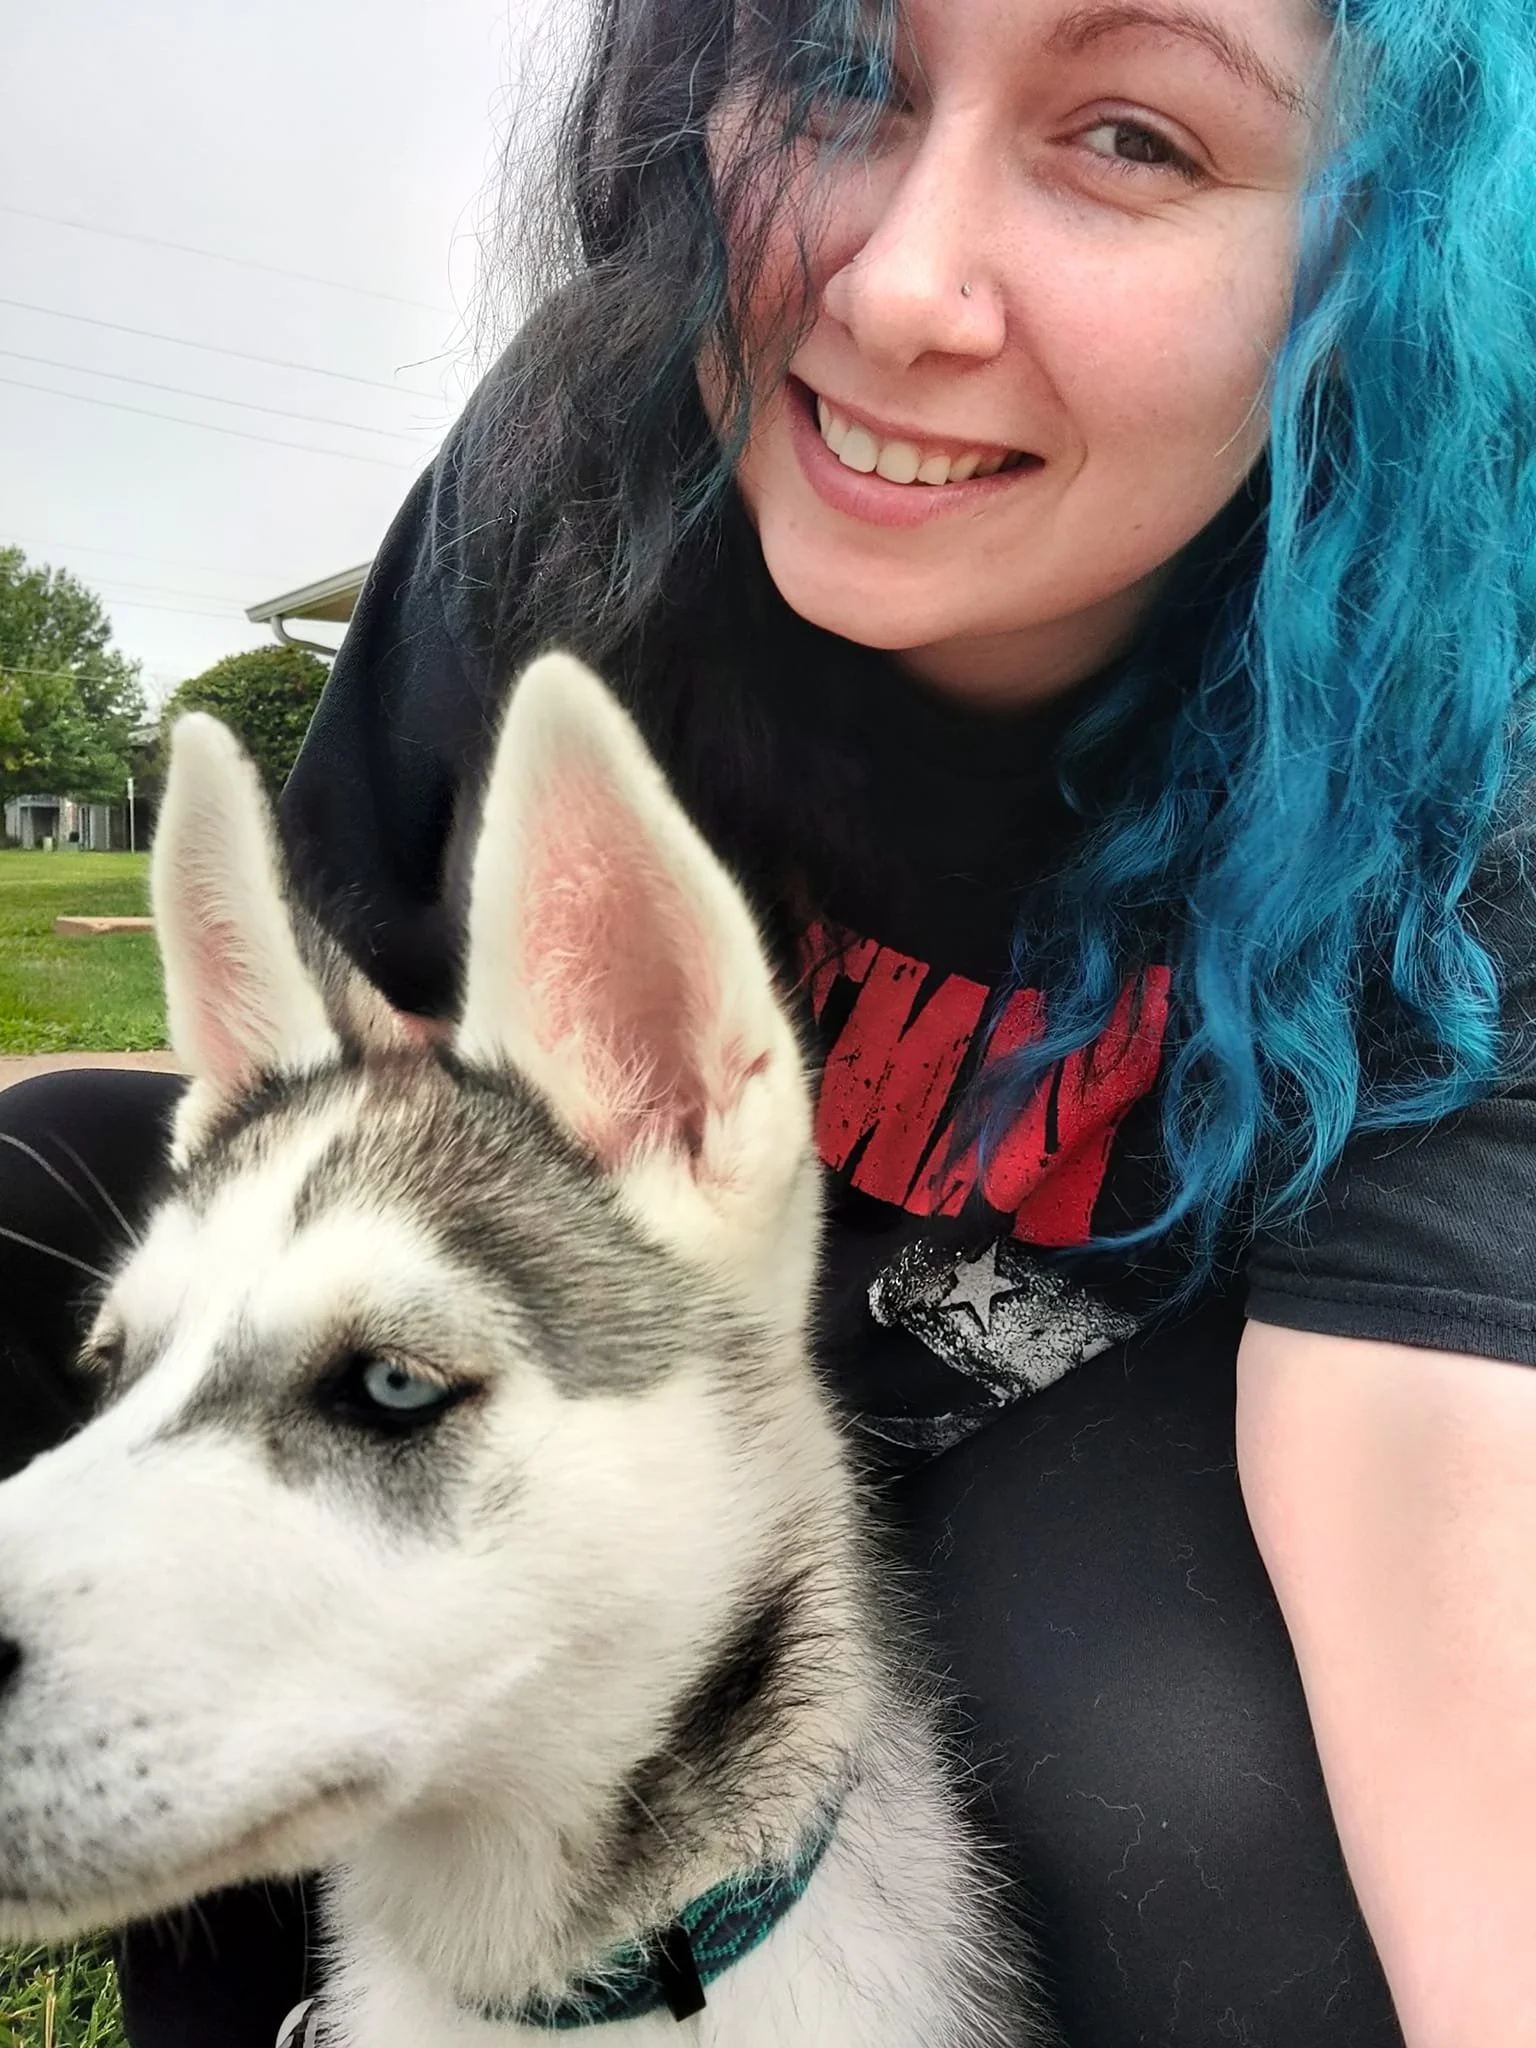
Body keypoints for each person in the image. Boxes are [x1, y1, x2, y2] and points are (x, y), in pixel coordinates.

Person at [4, 0, 1535, 2039]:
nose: (896, 288)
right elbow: (335, 1102)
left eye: (1137, 141)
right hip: (580, 1423)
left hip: (1069, 1536)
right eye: (838, 72)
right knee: (58, 1186)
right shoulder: (585, 477)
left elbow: (1442, 1582)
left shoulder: (1462, 769)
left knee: (1149, 1713)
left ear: (1380, 254)